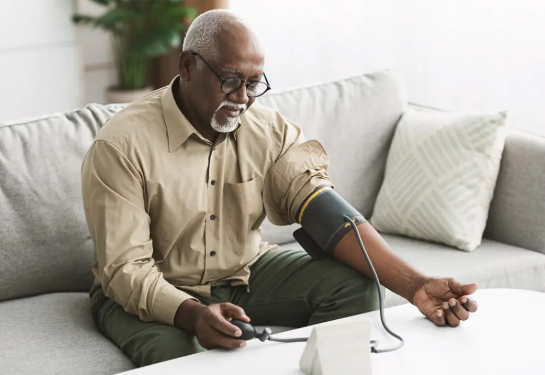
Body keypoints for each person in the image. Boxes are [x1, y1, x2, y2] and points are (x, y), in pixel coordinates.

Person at [81, 9, 478, 368]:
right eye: (231, 80)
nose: (242, 99)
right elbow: (124, 270)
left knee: (357, 289)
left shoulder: (269, 130)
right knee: (184, 359)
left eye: (254, 85)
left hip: (244, 272)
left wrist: (416, 286)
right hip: (149, 291)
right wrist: (192, 314)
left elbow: (327, 215)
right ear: (187, 65)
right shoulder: (121, 146)